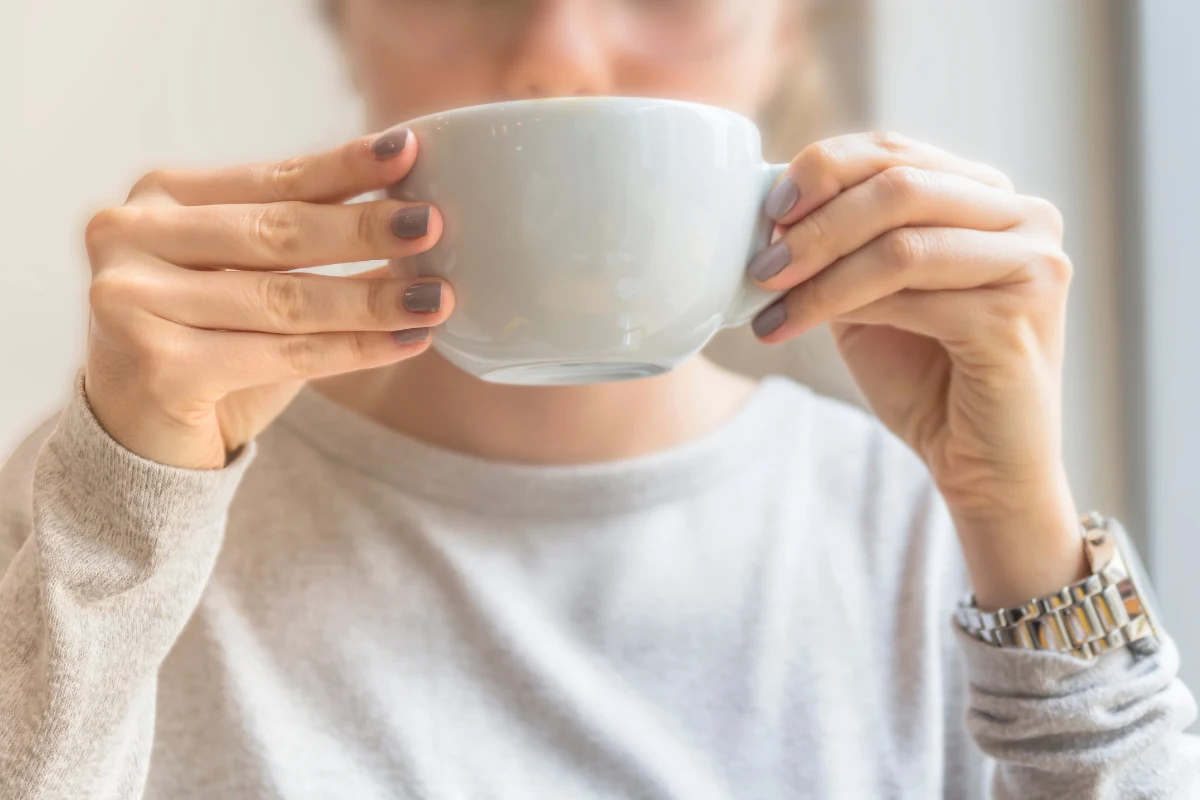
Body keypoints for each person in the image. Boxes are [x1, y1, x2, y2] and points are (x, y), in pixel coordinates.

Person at [2, 0, 1198, 797]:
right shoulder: (122, 496)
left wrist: (1022, 522)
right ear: (345, 21)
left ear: (788, 34)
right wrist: (122, 507)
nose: (557, 54)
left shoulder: (923, 533)